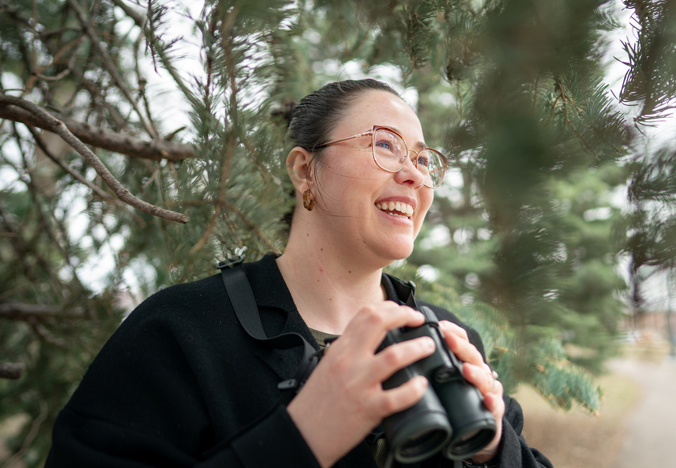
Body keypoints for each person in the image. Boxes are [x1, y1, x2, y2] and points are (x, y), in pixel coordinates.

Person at [46, 79, 552, 468]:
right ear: (305, 169)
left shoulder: (444, 341)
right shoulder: (180, 332)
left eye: (424, 159)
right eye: (385, 144)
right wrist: (301, 436)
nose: (415, 174)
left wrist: (494, 449)